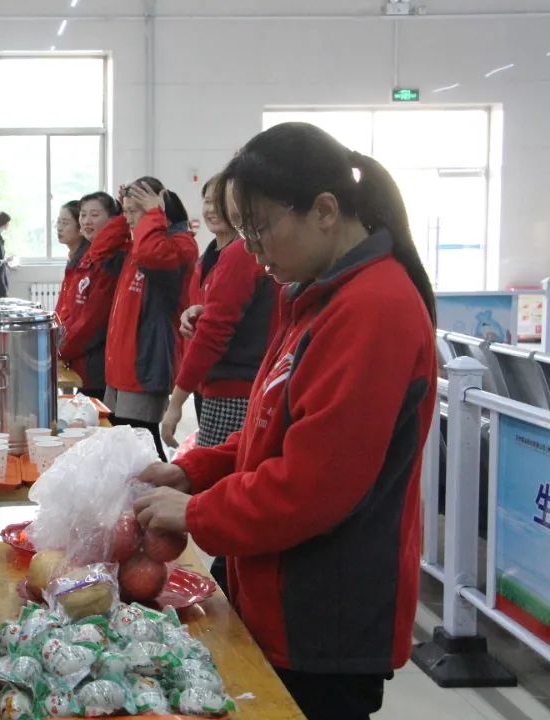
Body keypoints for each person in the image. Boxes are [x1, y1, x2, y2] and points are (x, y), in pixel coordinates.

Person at [133, 122, 438, 720]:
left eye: (260, 228)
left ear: (324, 211)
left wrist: (197, 513)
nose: (252, 250)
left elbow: (312, 486)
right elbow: (272, 427)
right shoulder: (315, 295)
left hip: (324, 618)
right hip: (281, 592)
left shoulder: (373, 309)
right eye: (242, 232)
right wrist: (195, 471)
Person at [157, 174, 279, 597]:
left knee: (230, 488)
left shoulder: (242, 254)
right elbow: (211, 319)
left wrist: (175, 401)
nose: (211, 209)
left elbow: (216, 332)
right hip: (216, 386)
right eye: (206, 200)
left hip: (236, 387)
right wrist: (194, 313)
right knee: (220, 477)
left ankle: (228, 578)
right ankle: (227, 574)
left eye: (221, 201)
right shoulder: (215, 253)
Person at [96, 178, 198, 458]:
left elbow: (153, 255)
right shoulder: (139, 244)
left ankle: (162, 485)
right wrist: (124, 215)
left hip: (145, 364)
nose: (129, 218)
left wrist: (154, 213)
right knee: (123, 445)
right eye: (125, 211)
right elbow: (99, 250)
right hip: (121, 366)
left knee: (142, 448)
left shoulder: (179, 244)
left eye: (134, 211)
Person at [56, 192, 122, 399]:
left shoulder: (110, 257)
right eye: (83, 215)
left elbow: (93, 320)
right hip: (84, 357)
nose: (86, 221)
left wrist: (61, 348)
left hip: (99, 361)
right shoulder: (90, 256)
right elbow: (71, 310)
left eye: (94, 215)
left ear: (112, 219)